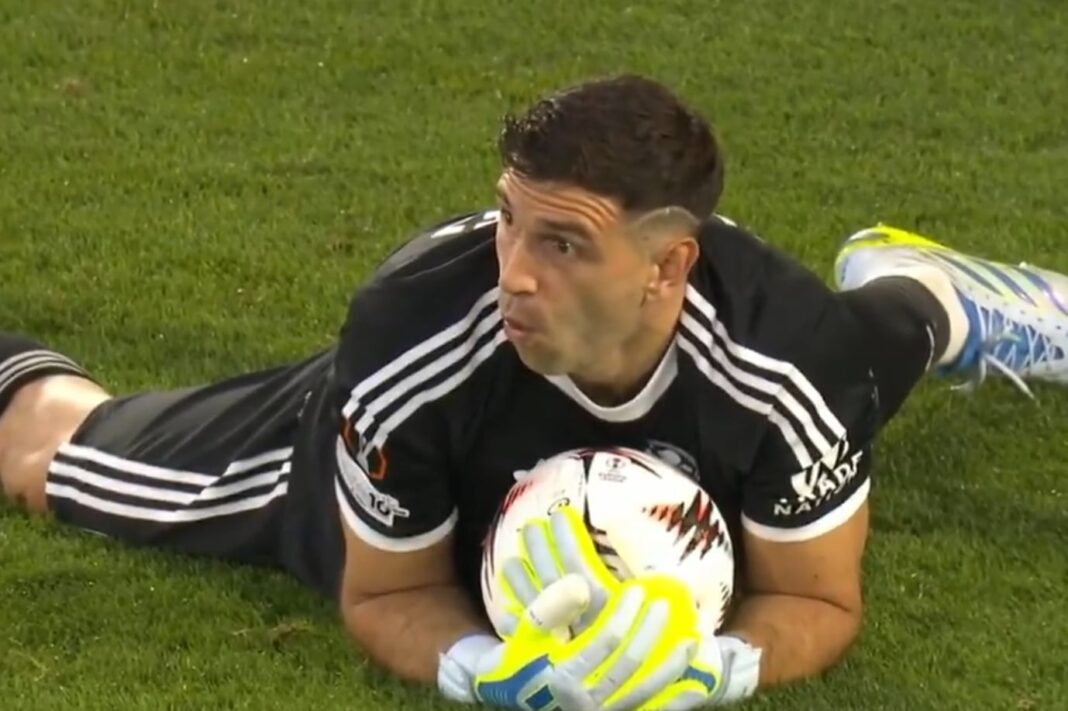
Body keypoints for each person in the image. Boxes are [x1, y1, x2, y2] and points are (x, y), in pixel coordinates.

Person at [1, 73, 1065, 709]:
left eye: (562, 243)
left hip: (763, 373)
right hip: (398, 466)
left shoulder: (785, 358)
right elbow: (387, 592)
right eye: (510, 218)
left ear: (668, 267)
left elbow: (818, 596)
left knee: (854, 373)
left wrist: (721, 669)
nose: (514, 269)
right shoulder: (417, 336)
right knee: (45, 456)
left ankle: (926, 296)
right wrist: (478, 668)